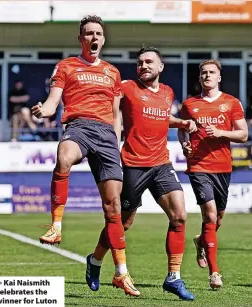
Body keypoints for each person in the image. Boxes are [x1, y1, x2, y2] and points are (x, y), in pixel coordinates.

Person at [31, 15, 140, 297]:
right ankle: (56, 226)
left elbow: (116, 114)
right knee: (64, 157)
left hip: (106, 135)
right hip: (79, 126)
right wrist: (45, 110)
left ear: (103, 39)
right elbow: (54, 101)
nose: (94, 37)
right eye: (89, 33)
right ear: (81, 38)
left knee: (114, 208)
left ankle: (119, 272)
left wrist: (116, 142)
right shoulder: (66, 66)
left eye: (98, 33)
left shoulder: (113, 72)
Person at [85, 45, 196, 301]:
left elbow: (160, 117)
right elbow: (106, 102)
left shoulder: (168, 92)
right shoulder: (127, 87)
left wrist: (181, 122)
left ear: (160, 67)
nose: (143, 66)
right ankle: (95, 260)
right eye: (140, 62)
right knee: (122, 223)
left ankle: (173, 278)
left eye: (148, 62)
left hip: (161, 164)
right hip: (133, 164)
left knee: (179, 216)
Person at [178, 59, 248, 289]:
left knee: (217, 219)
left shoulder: (231, 102)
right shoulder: (189, 104)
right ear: (200, 78)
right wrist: (185, 145)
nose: (207, 76)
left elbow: (243, 134)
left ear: (219, 77)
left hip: (223, 167)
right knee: (209, 215)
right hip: (199, 166)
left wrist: (219, 132)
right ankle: (214, 273)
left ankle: (201, 240)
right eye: (204, 73)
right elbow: (182, 130)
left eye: (211, 72)